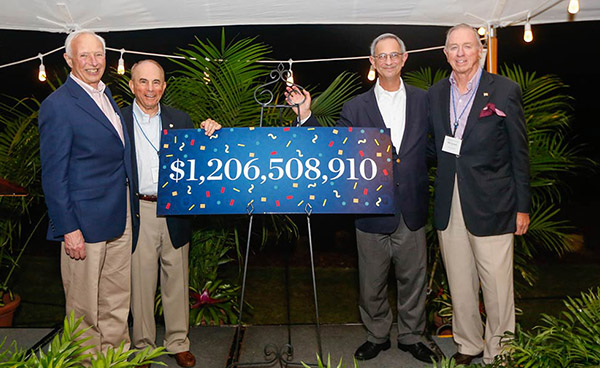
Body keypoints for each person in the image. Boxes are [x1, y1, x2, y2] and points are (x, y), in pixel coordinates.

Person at [286, 33, 438, 363]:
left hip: (411, 208)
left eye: (393, 55)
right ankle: (377, 335)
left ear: (404, 58)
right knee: (371, 282)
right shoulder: (356, 106)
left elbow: (434, 145)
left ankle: (412, 336)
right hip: (369, 209)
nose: (388, 61)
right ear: (372, 62)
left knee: (413, 279)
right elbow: (334, 149)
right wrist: (305, 114)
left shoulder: (425, 100)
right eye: (381, 56)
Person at [428, 24, 530, 365]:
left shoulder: (503, 90)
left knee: (497, 286)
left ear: (480, 51)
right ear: (445, 54)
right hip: (449, 201)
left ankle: (500, 351)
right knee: (459, 280)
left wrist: (522, 206)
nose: (460, 53)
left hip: (494, 203)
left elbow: (520, 152)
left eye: (467, 46)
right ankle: (468, 343)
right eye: (453, 47)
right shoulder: (436, 93)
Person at [38, 30, 134, 355]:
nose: (93, 63)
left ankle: (115, 358)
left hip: (118, 215)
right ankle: (86, 363)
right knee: (83, 308)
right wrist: (68, 228)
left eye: (98, 55)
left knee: (117, 297)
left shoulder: (107, 97)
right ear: (68, 60)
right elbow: (53, 175)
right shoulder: (59, 106)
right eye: (84, 56)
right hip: (83, 222)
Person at [122, 59, 221, 368]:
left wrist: (212, 133)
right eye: (143, 81)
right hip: (138, 210)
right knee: (141, 282)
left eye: (156, 82)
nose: (150, 88)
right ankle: (143, 348)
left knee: (176, 279)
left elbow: (200, 161)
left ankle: (178, 342)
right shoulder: (119, 119)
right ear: (132, 85)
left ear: (164, 87)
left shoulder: (181, 118)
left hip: (175, 209)